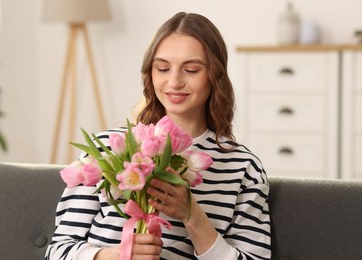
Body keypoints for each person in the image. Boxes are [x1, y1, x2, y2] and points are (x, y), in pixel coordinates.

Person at [45, 12, 271, 260]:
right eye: (162, 68)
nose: (174, 82)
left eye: (191, 70)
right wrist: (115, 256)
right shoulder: (109, 147)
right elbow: (57, 252)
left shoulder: (243, 167)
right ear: (150, 75)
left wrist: (192, 214)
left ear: (215, 76)